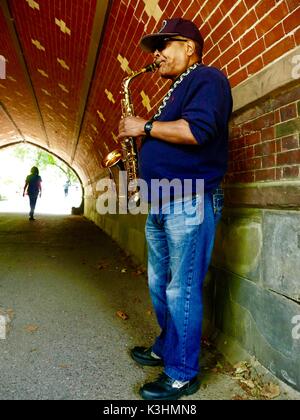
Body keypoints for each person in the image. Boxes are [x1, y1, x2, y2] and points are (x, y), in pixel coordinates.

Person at [118, 18, 232, 400]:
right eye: (154, 48)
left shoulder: (208, 79)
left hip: (190, 199)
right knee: (160, 284)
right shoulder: (175, 91)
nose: (157, 55)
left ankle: (182, 373)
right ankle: (168, 348)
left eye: (165, 45)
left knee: (180, 289)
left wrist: (144, 128)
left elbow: (197, 131)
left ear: (190, 48)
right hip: (163, 202)